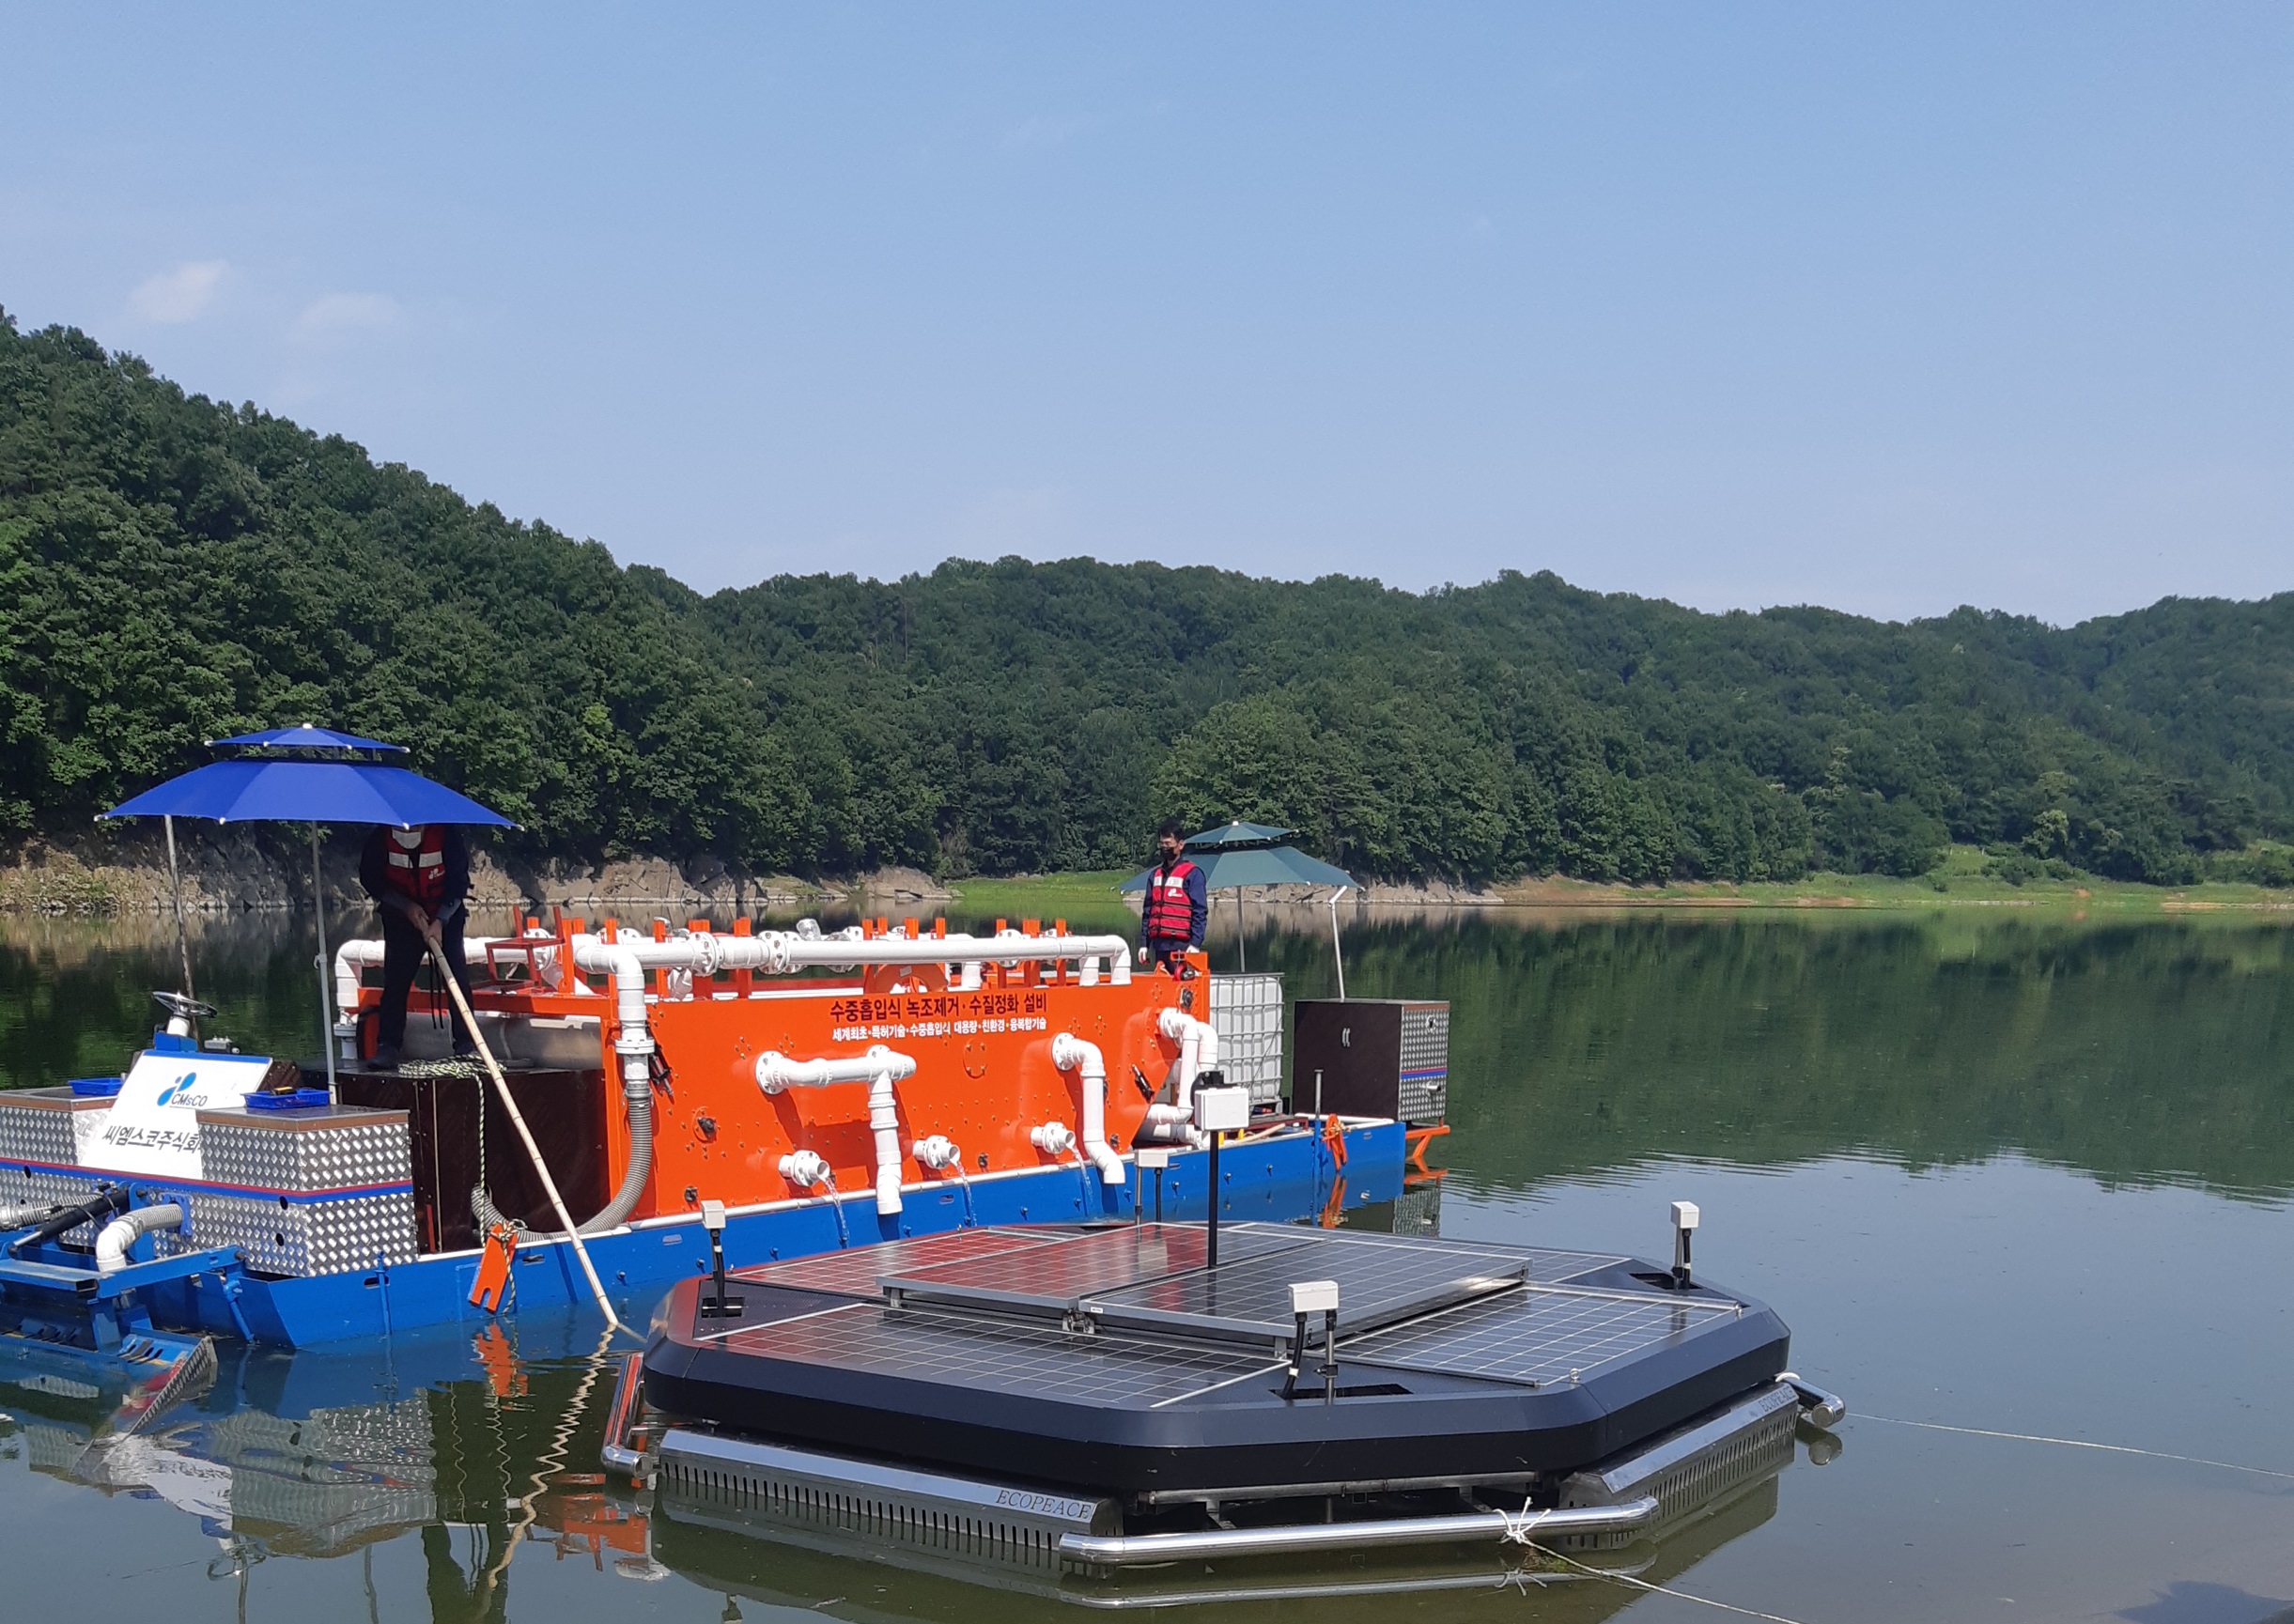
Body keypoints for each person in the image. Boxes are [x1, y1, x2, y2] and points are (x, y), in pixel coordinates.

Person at [358, 822, 476, 1066]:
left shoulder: (447, 835)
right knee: (396, 982)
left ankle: (466, 1044)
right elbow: (372, 880)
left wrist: (440, 921)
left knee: (456, 979)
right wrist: (406, 907)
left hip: (446, 918)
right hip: (401, 920)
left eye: (416, 828)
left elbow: (459, 884)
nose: (410, 833)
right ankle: (388, 1046)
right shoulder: (381, 838)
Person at [1138, 821, 1208, 974]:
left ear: (1180, 845)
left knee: (1182, 988)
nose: (1164, 847)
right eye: (1161, 843)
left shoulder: (1193, 874)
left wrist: (1195, 944)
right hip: (1159, 946)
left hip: (1182, 946)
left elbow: (1200, 912)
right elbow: (1148, 913)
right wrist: (1144, 944)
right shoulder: (1155, 875)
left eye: (1168, 843)